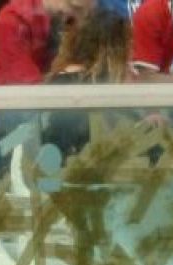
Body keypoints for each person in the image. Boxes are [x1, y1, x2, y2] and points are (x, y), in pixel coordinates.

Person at [41, 5, 136, 160]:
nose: (132, 53)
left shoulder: (57, 80)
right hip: (83, 166)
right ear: (115, 51)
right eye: (129, 46)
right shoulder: (99, 89)